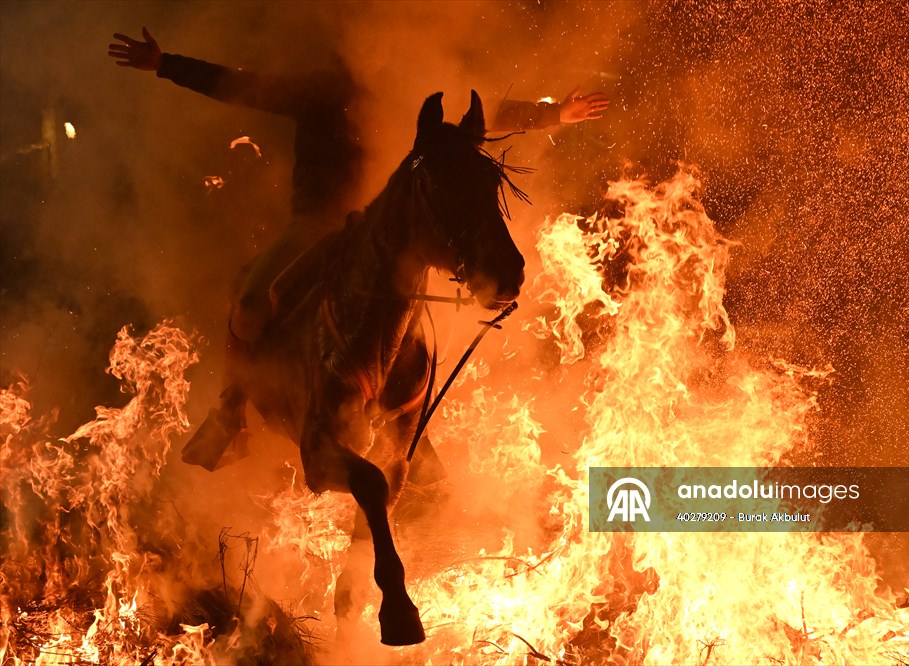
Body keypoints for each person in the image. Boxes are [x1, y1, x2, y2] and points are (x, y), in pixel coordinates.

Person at [108, 28, 610, 468]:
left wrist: (554, 115)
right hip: (314, 227)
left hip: (380, 234)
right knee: (250, 301)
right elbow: (240, 87)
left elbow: (484, 117)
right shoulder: (318, 91)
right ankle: (230, 409)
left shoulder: (404, 88)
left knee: (414, 331)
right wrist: (164, 64)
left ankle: (411, 431)